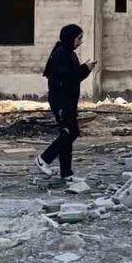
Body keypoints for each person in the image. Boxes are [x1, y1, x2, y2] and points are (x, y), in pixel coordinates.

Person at [36, 24, 95, 180]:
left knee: (67, 134)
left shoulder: (70, 54)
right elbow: (68, 77)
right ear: (70, 38)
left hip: (69, 100)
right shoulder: (61, 54)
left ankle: (66, 173)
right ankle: (44, 158)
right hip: (61, 101)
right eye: (78, 38)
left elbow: (75, 77)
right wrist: (85, 68)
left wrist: (86, 69)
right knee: (71, 132)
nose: (80, 42)